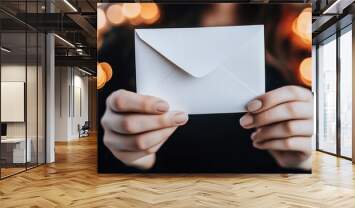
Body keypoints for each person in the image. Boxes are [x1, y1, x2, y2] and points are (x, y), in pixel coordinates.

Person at [99, 3, 313, 173]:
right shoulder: (124, 41)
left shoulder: (299, 36)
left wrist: (305, 160)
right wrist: (131, 158)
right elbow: (101, 158)